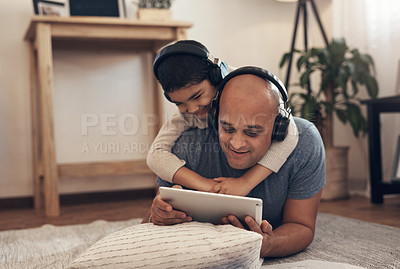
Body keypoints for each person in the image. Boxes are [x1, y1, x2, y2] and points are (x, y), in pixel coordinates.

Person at [143, 66, 326, 258]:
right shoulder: (187, 142)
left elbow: (302, 225)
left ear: (277, 128)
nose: (236, 144)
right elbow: (150, 221)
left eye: (252, 132)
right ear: (215, 118)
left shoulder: (305, 141)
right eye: (227, 128)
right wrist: (157, 216)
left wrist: (268, 245)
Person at [147, 40, 298, 196]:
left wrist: (246, 182)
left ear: (215, 75)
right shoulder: (185, 114)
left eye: (197, 96)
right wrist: (208, 186)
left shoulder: (250, 86)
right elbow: (155, 155)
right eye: (179, 103)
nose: (192, 109)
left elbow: (290, 132)